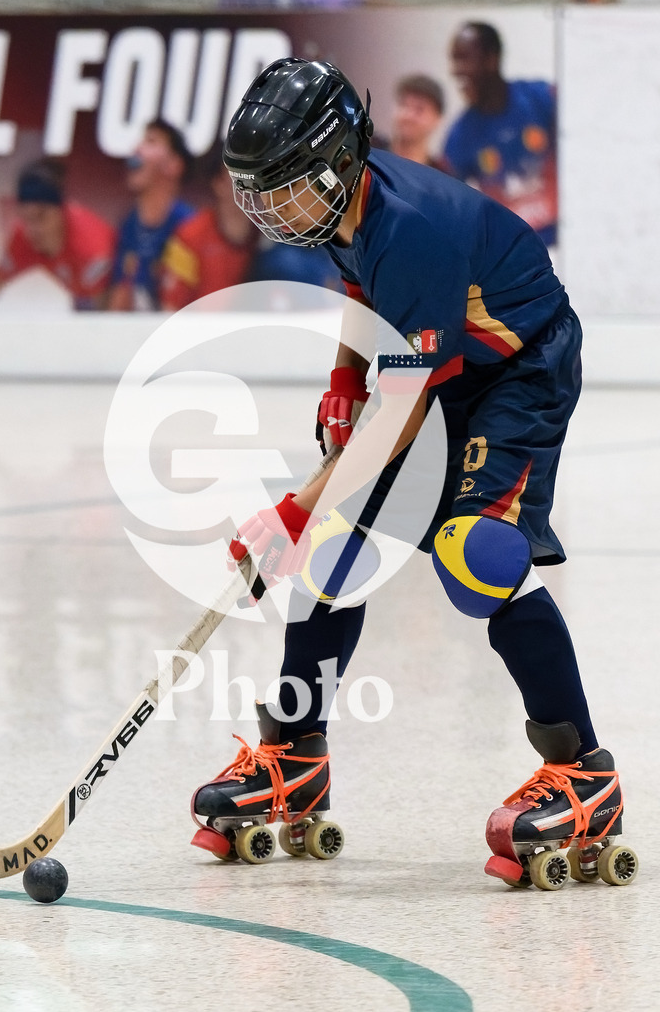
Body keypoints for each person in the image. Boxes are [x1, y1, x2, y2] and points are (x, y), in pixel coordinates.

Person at [188, 58, 636, 888]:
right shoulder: (341, 206)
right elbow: (366, 300)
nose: (270, 208)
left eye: (282, 188)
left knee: (474, 555)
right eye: (260, 190)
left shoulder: (413, 229)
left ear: (334, 162)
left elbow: (398, 415)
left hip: (519, 372)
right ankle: (296, 756)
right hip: (444, 371)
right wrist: (342, 378)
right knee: (334, 552)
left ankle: (585, 774)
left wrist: (294, 509)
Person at [443, 22, 558, 247]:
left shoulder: (540, 97)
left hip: (569, 239)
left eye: (463, 58)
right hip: (518, 253)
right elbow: (446, 207)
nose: (455, 70)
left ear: (491, 59)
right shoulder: (459, 137)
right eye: (454, 60)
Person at [0, 158, 115, 311]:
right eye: (26, 218)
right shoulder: (23, 237)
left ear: (61, 211)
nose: (34, 229)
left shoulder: (90, 248)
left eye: (41, 216)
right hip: (84, 290)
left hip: (119, 286)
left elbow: (108, 315)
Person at [110, 119, 195, 311]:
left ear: (173, 165)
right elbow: (118, 303)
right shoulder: (129, 226)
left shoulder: (189, 227)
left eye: (151, 141)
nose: (136, 149)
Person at [158, 153, 257, 311]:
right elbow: (170, 309)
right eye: (239, 175)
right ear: (219, 183)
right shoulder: (189, 236)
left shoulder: (272, 235)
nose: (250, 182)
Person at [389, 73, 446, 169]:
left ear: (437, 119)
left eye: (419, 109)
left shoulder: (440, 173)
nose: (407, 115)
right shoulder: (370, 152)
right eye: (403, 105)